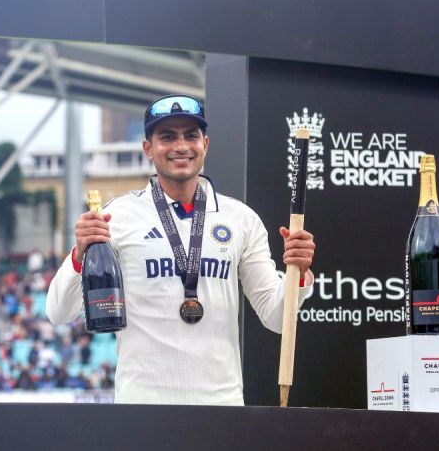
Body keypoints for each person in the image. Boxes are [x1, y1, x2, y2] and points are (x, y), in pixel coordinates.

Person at [46, 94, 316, 406]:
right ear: (148, 148)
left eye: (191, 135)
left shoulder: (241, 218)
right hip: (143, 409)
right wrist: (79, 255)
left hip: (221, 407)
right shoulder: (115, 217)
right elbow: (58, 312)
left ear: (206, 144)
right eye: (167, 137)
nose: (181, 146)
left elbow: (277, 318)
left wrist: (298, 274)